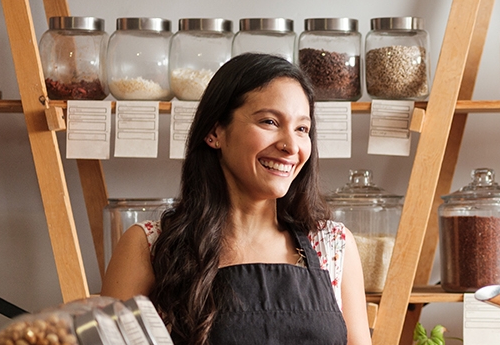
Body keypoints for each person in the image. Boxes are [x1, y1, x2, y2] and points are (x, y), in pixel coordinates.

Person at [101, 53, 371, 345]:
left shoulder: (332, 245)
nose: (290, 145)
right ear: (214, 131)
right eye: (269, 121)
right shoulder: (150, 246)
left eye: (302, 129)